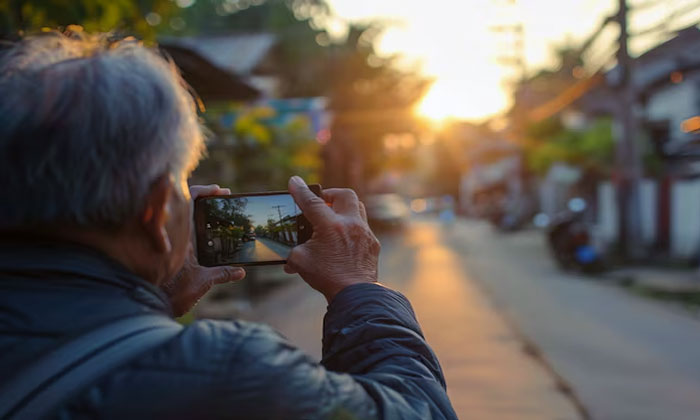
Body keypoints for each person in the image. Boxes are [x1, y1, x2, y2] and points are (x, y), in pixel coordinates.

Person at [0, 30, 457, 419]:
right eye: (183, 184)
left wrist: (145, 307)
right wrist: (358, 289)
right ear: (157, 212)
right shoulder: (229, 372)